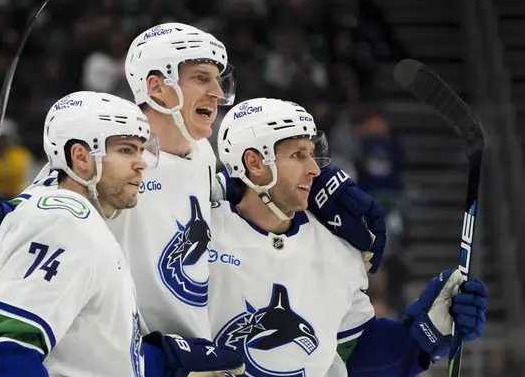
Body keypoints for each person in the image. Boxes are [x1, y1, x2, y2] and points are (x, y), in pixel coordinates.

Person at [0, 23, 385, 343]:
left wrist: (326, 194)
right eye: (200, 79)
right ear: (157, 88)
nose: (216, 92)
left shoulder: (204, 157)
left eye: (218, 81)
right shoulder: (113, 155)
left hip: (189, 359)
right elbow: (43, 210)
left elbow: (243, 199)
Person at [0, 91, 244, 377]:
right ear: (81, 157)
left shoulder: (83, 221)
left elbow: (87, 352)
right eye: (125, 150)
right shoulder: (64, 222)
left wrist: (164, 363)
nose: (141, 162)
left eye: (141, 149)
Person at [207, 97, 488, 376]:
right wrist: (217, 185)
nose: (315, 169)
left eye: (312, 153)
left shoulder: (337, 249)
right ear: (254, 162)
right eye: (297, 156)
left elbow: (352, 357)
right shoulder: (199, 229)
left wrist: (427, 334)